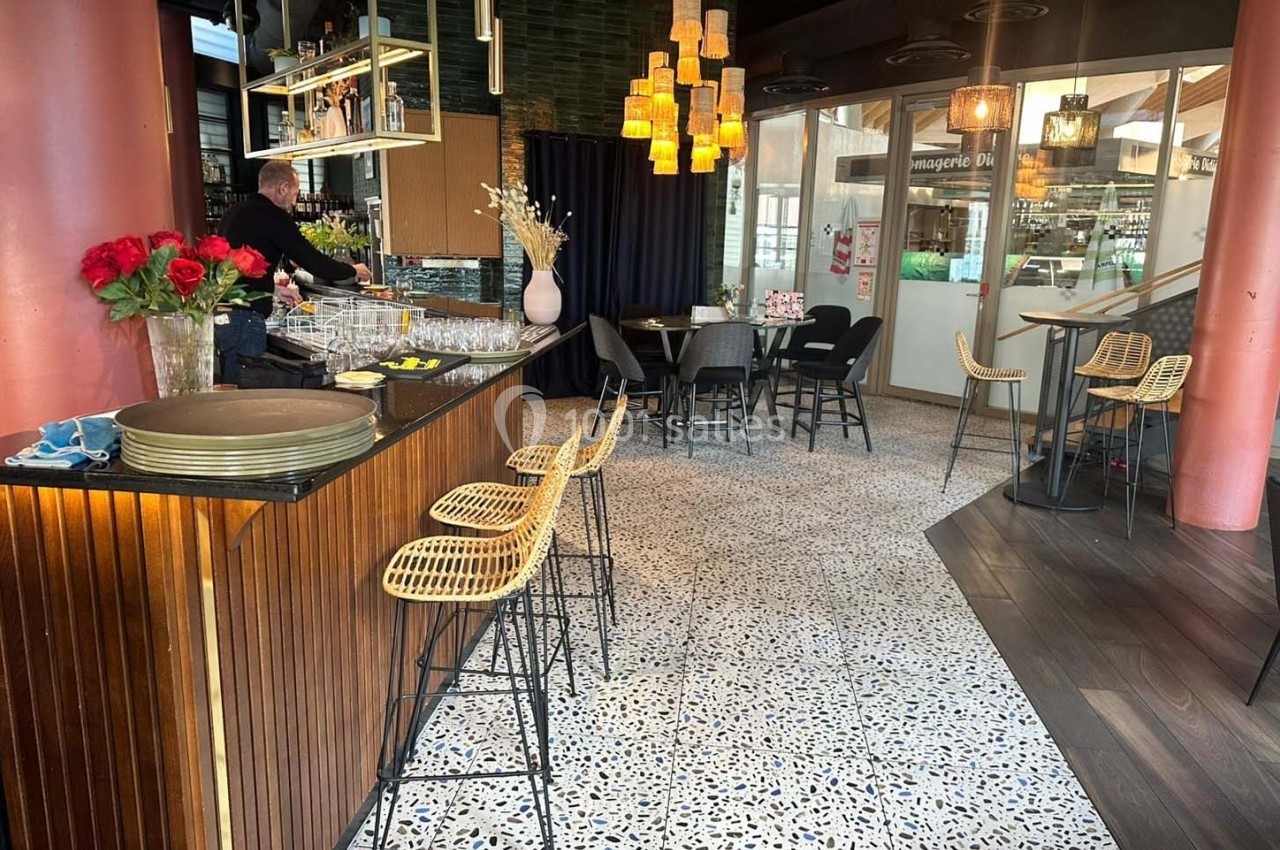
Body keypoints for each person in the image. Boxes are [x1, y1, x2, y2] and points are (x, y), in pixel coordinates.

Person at [214, 160, 373, 383]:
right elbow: (311, 260)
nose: (294, 202)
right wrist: (351, 270)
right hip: (245, 321)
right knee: (246, 397)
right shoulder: (273, 216)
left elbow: (234, 269)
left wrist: (273, 291)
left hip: (223, 317)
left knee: (232, 390)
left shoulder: (234, 213)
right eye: (295, 194)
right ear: (283, 188)